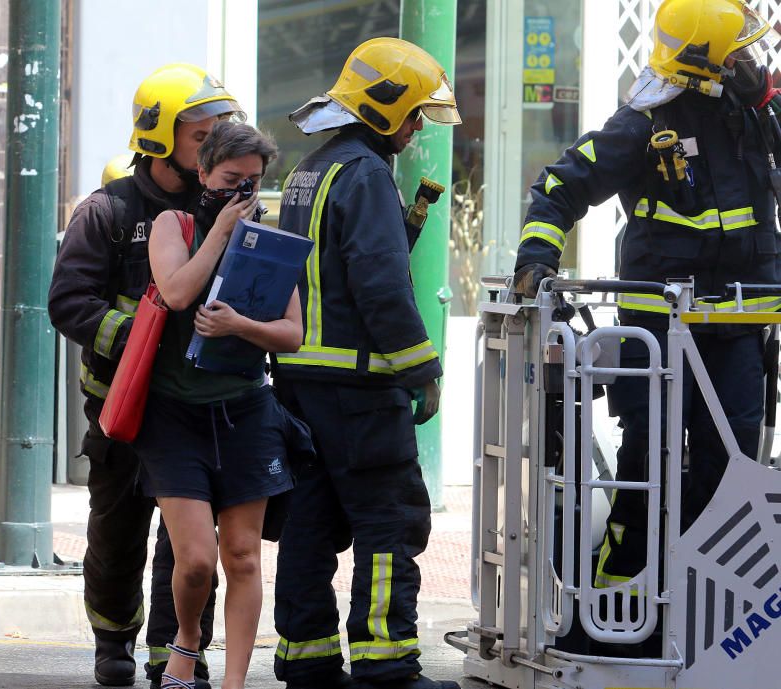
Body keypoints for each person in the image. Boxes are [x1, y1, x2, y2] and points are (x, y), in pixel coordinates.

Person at [512, 0, 780, 616]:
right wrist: (537, 262)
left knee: (734, 465)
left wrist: (766, 100)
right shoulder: (642, 123)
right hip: (658, 330)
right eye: (737, 50)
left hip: (737, 326)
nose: (749, 59)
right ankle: (615, 603)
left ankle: (706, 604)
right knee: (648, 464)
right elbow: (559, 189)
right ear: (703, 60)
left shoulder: (755, 114)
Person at [271, 37, 461, 689]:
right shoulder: (367, 174)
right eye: (413, 114)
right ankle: (386, 662)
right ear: (385, 108)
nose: (415, 129)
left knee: (311, 521)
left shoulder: (311, 168)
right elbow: (379, 286)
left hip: (300, 383)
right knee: (389, 520)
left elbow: (321, 269)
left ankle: (308, 657)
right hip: (359, 386)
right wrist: (422, 370)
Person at [47, 64, 243, 688]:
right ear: (159, 136)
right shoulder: (107, 211)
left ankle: (176, 650)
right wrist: (138, 339)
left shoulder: (220, 206)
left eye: (219, 133)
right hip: (123, 406)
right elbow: (68, 302)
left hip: (196, 405)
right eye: (200, 135)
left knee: (189, 544)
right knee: (118, 532)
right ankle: (113, 638)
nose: (213, 147)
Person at [138, 119, 303, 689]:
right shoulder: (172, 223)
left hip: (245, 411)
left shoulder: (269, 242)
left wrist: (242, 325)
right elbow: (178, 291)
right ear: (203, 171)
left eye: (253, 183)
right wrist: (222, 234)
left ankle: (233, 682)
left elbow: (291, 333)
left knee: (243, 556)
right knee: (198, 561)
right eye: (231, 179)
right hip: (175, 415)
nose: (242, 193)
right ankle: (186, 638)